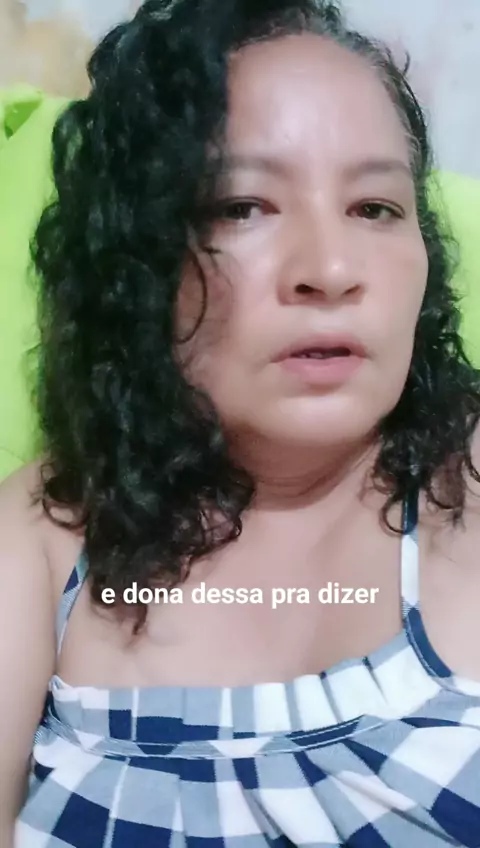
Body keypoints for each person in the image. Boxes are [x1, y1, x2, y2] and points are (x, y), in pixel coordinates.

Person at [2, 0, 480, 844]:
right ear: (137, 255)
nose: (330, 269)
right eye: (240, 206)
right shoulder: (44, 537)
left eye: (375, 208)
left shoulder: (465, 486)